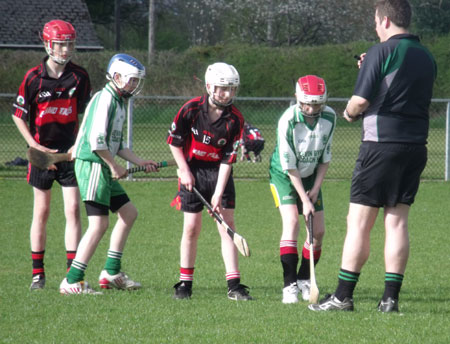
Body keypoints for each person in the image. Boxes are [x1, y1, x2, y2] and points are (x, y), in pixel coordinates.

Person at [309, 0, 437, 313]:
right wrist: (373, 67)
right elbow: (400, 85)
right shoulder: (427, 56)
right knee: (397, 223)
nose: (375, 27)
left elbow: (359, 102)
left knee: (359, 222)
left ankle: (342, 296)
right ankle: (390, 300)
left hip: (380, 146)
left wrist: (350, 113)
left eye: (375, 21)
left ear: (384, 20)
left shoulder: (380, 52)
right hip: (415, 147)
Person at [59, 53, 159, 294]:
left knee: (129, 213)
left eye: (136, 81)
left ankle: (111, 272)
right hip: (94, 164)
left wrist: (140, 161)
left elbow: (118, 144)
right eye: (131, 80)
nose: (134, 85)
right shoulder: (104, 98)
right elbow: (96, 141)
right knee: (99, 225)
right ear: (116, 77)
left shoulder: (119, 102)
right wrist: (113, 166)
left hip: (103, 164)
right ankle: (72, 280)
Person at [11, 20, 91, 290]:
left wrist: (76, 147)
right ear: (47, 44)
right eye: (60, 44)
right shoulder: (33, 77)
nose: (66, 49)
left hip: (69, 154)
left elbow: (86, 116)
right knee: (42, 212)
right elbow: (18, 115)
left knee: (73, 210)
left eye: (69, 43)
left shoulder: (79, 76)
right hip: (42, 156)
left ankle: (72, 274)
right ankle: (38, 274)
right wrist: (35, 145)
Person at [167, 62, 252, 301]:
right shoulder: (191, 109)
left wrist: (217, 192)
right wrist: (184, 170)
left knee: (227, 225)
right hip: (192, 170)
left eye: (232, 89)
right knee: (192, 227)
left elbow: (228, 160)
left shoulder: (235, 119)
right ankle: (185, 284)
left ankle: (234, 285)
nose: (227, 94)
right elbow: (174, 142)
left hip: (219, 173)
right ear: (209, 87)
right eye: (222, 88)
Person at [269, 75, 336, 304]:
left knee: (317, 232)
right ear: (297, 97)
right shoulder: (288, 120)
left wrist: (315, 189)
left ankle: (305, 280)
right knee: (293, 222)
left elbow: (325, 157)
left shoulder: (329, 117)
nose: (311, 107)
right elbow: (289, 166)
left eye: (317, 102)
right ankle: (289, 286)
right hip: (285, 174)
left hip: (311, 174)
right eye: (307, 102)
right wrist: (304, 201)